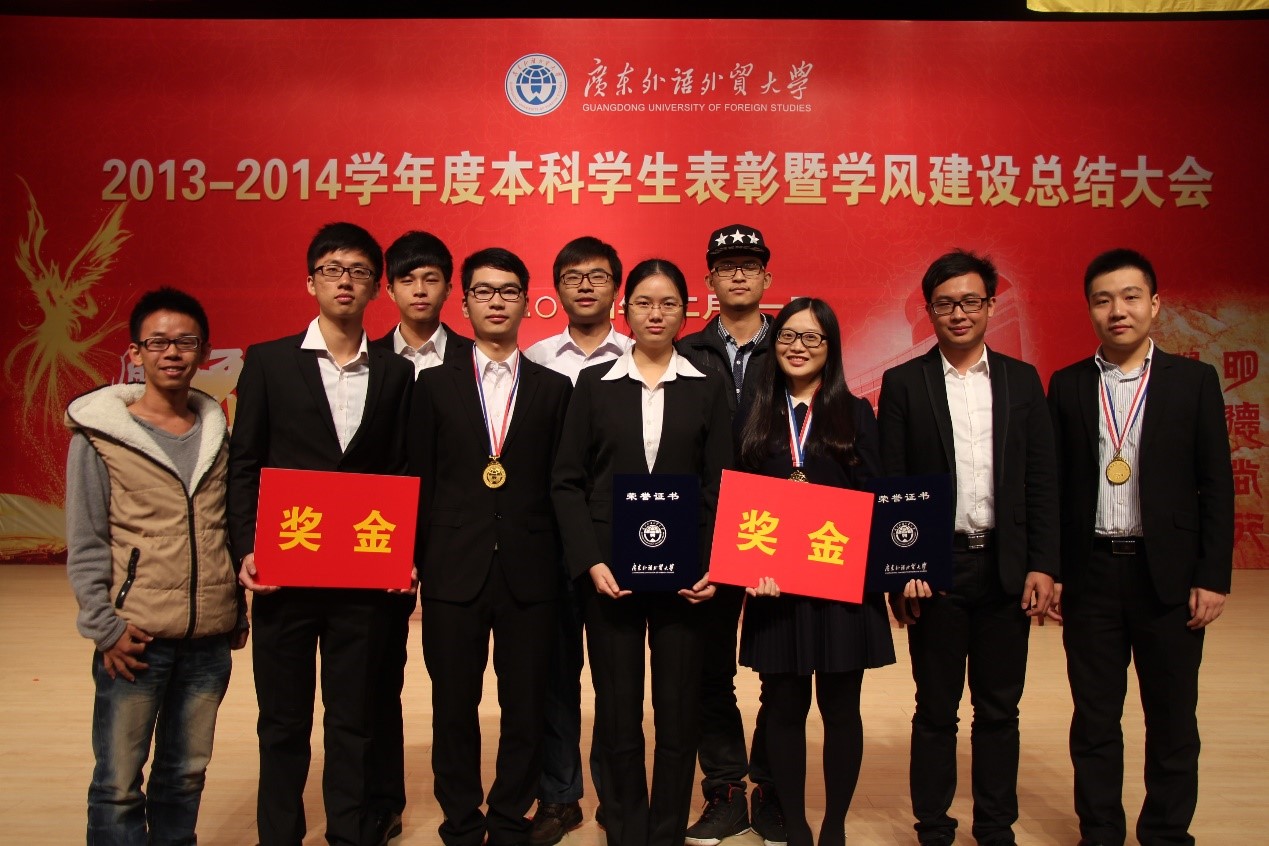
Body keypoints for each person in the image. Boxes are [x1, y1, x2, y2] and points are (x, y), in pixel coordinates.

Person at [228, 222, 414, 846]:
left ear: (375, 288)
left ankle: (350, 833)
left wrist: (405, 555)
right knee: (282, 722)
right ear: (311, 282)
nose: (345, 281)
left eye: (359, 271)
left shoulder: (396, 373)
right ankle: (279, 834)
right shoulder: (269, 361)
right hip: (286, 570)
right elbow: (245, 462)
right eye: (332, 269)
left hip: (362, 573)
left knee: (353, 721)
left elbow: (402, 471)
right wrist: (246, 547)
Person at [1047, 248, 1233, 846]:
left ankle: (1166, 835)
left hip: (1168, 577)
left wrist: (1213, 575)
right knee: (1095, 721)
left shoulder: (1193, 382)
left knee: (1173, 720)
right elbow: (1053, 486)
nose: (1117, 311)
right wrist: (1052, 570)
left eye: (1130, 297)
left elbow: (1216, 484)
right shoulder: (1068, 385)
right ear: (1090, 309)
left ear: (1155, 304)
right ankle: (1100, 833)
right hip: (1092, 576)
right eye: (1103, 300)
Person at [877, 249, 1058, 846]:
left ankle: (995, 825)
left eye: (971, 302)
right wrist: (901, 571)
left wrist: (1043, 564)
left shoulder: (1021, 380)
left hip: (1006, 566)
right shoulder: (905, 383)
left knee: (1000, 709)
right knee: (936, 708)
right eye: (946, 304)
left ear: (990, 306)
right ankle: (933, 825)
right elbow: (893, 483)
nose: (959, 313)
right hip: (937, 570)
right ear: (930, 310)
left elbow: (1041, 480)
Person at [553, 258, 731, 846]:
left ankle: (666, 829)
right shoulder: (594, 385)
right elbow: (567, 481)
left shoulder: (707, 387)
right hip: (611, 576)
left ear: (687, 311)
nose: (656, 314)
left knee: (678, 712)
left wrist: (715, 564)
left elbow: (720, 485)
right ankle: (627, 827)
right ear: (624, 309)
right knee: (617, 710)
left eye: (669, 303)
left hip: (687, 579)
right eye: (644, 303)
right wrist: (590, 561)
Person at [65, 287, 247, 844]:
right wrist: (105, 627)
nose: (172, 352)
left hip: (208, 640)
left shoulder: (219, 434)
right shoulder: (101, 437)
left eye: (186, 342)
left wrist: (235, 610)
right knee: (118, 783)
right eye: (158, 342)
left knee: (184, 776)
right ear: (135, 352)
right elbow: (86, 541)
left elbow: (225, 531)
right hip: (136, 638)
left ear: (205, 352)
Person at [408, 247, 572, 846]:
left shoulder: (555, 388)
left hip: (532, 570)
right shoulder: (432, 385)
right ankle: (460, 818)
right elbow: (419, 479)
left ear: (527, 302)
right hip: (453, 568)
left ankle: (507, 816)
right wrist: (412, 560)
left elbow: (562, 483)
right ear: (465, 303)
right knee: (453, 703)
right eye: (483, 291)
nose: (496, 301)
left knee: (525, 704)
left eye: (507, 291)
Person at [734, 298, 896, 846]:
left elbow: (874, 497)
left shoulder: (856, 412)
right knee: (783, 707)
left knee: (840, 709)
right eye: (787, 336)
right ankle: (797, 825)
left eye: (811, 337)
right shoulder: (753, 412)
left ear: (831, 347)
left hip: (839, 586)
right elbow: (737, 499)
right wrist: (749, 565)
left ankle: (834, 826)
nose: (798, 347)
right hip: (775, 589)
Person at [677, 223, 784, 846]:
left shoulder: (794, 341)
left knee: (778, 665)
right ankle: (724, 790)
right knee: (708, 669)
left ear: (767, 276)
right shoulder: (688, 350)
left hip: (778, 525)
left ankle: (770, 787)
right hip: (709, 525)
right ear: (709, 280)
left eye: (749, 265)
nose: (738, 274)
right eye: (726, 266)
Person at [524, 235, 632, 845]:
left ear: (616, 287)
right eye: (572, 276)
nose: (586, 286)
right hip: (549, 543)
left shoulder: (639, 356)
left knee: (616, 678)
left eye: (597, 276)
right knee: (554, 676)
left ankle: (617, 799)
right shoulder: (535, 359)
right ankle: (559, 796)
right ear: (557, 289)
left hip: (620, 543)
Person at [367, 229, 473, 846]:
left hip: (457, 540)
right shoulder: (368, 359)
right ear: (390, 289)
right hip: (378, 537)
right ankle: (384, 800)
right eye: (407, 279)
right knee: (379, 675)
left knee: (450, 682)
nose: (420, 289)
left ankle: (462, 808)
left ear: (449, 288)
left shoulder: (477, 358)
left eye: (432, 278)